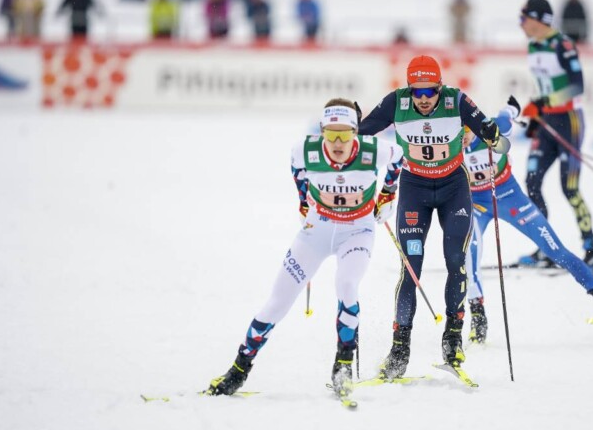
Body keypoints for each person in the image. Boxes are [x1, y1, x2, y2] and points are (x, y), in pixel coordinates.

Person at [206, 99, 405, 399]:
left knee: (347, 285)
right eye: (330, 134)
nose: (338, 143)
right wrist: (303, 201)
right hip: (316, 232)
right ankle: (238, 370)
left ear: (356, 132)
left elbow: (399, 156)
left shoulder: (372, 151)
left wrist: (388, 194)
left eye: (345, 135)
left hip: (357, 233)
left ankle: (343, 367)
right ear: (322, 131)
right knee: (277, 302)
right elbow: (297, 169)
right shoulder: (305, 151)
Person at [359, 55, 513, 379]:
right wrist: (346, 129)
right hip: (414, 189)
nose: (425, 99)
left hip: (453, 188)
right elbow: (361, 132)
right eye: (418, 92)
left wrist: (492, 137)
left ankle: (453, 339)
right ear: (409, 90)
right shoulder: (395, 103)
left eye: (430, 92)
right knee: (410, 268)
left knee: (456, 260)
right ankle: (399, 349)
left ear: (439, 88)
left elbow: (494, 137)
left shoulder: (456, 100)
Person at [462, 124, 593, 344]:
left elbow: (508, 114)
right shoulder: (448, 144)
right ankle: (478, 316)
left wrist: (513, 109)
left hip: (511, 199)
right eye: (458, 132)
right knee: (469, 253)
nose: (463, 138)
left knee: (556, 250)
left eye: (467, 132)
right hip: (477, 206)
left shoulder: (490, 129)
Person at [516, 0, 593, 272]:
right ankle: (545, 249)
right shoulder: (533, 46)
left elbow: (576, 87)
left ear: (538, 20)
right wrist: (537, 113)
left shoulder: (562, 44)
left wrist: (544, 103)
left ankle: (592, 251)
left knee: (570, 188)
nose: (521, 25)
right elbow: (545, 87)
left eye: (524, 19)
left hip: (569, 120)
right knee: (531, 182)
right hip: (547, 122)